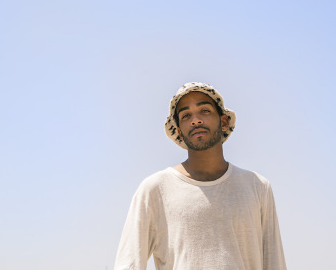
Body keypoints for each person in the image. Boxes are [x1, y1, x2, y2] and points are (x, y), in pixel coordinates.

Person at [114, 82, 286, 270]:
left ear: (224, 122)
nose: (196, 120)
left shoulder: (257, 187)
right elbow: (127, 264)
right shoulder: (155, 189)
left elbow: (274, 262)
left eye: (204, 111)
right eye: (186, 115)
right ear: (179, 131)